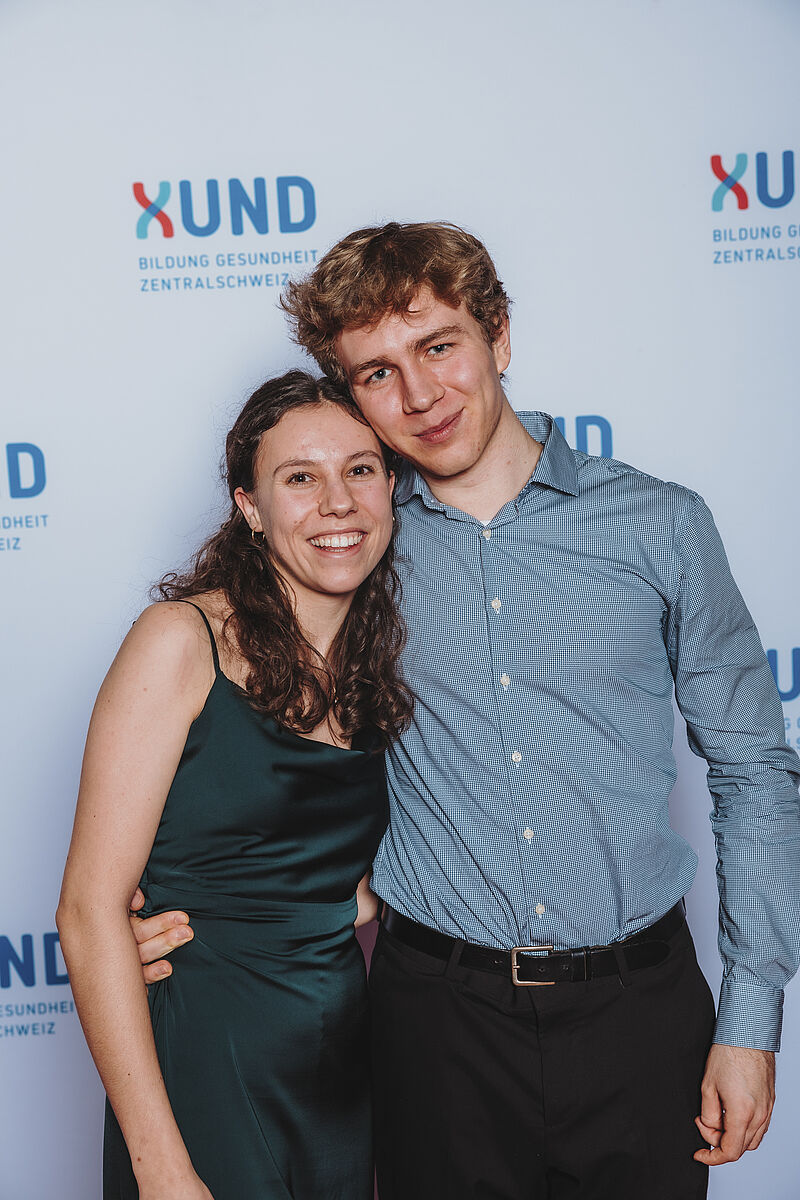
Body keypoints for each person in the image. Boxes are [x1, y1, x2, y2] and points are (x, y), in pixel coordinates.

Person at [132, 223, 800, 1199]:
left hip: (640, 1014)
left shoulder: (661, 526)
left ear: (498, 334)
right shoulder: (352, 544)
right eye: (377, 373)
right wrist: (194, 917)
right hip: (437, 1026)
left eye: (438, 346)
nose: (419, 395)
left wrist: (750, 1018)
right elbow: (240, 733)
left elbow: (751, 770)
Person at [57, 370, 413, 1200]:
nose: (338, 502)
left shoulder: (380, 659)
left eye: (360, 470)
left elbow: (338, 868)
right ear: (250, 507)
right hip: (206, 1058)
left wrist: (352, 900)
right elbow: (86, 910)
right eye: (301, 478)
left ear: (392, 488)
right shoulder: (180, 641)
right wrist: (160, 1165)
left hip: (335, 1066)